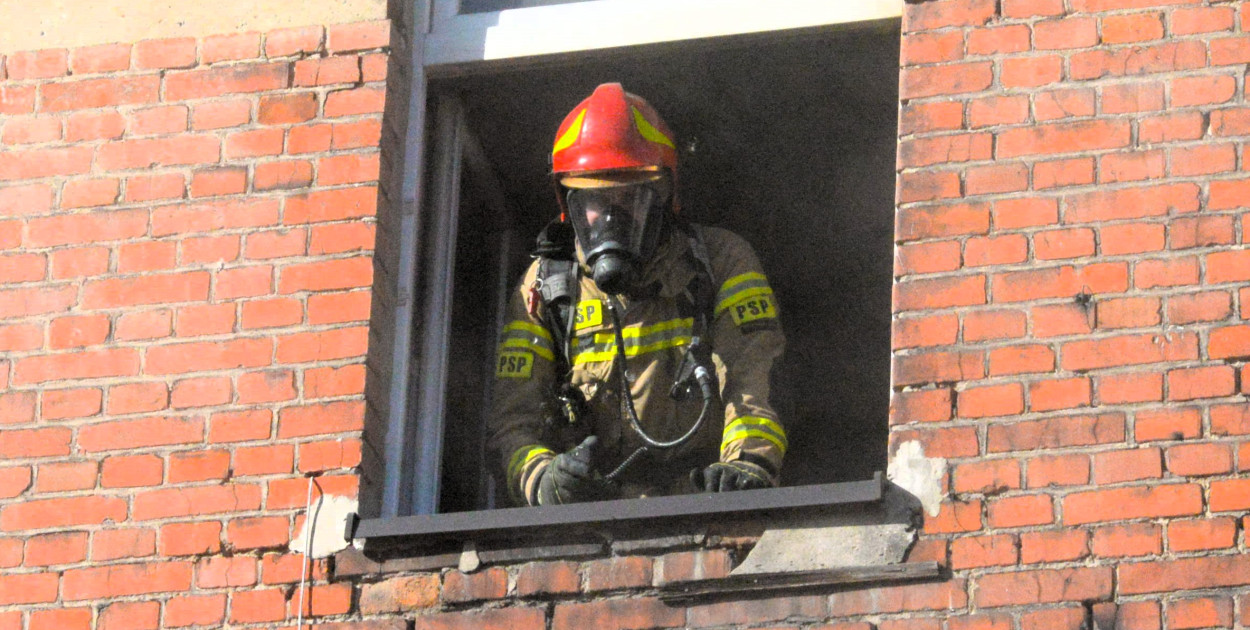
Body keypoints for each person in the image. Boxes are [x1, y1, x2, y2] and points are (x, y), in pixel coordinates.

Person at [485, 83, 787, 506]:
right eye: (596, 199)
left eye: (630, 197)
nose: (612, 216)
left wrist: (747, 468)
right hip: (594, 526)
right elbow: (512, 421)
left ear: (665, 196)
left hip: (697, 508)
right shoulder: (543, 288)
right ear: (569, 203)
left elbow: (752, 378)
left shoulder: (718, 262)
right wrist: (545, 480)